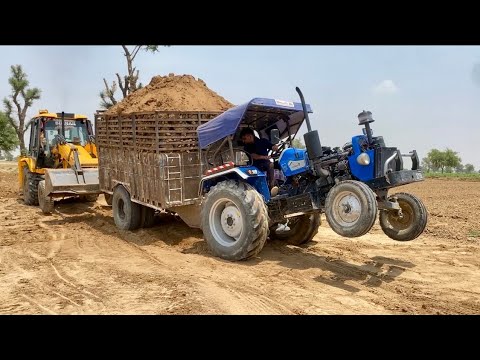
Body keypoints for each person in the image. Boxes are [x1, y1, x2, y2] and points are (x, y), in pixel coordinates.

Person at [240, 128, 279, 194]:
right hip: (254, 166)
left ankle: (275, 185)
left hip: (265, 163)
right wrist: (266, 157)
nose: (244, 141)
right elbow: (254, 156)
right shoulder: (246, 147)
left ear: (250, 136)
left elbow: (272, 147)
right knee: (270, 165)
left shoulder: (263, 141)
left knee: (276, 164)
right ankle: (270, 187)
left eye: (244, 139)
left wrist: (275, 147)